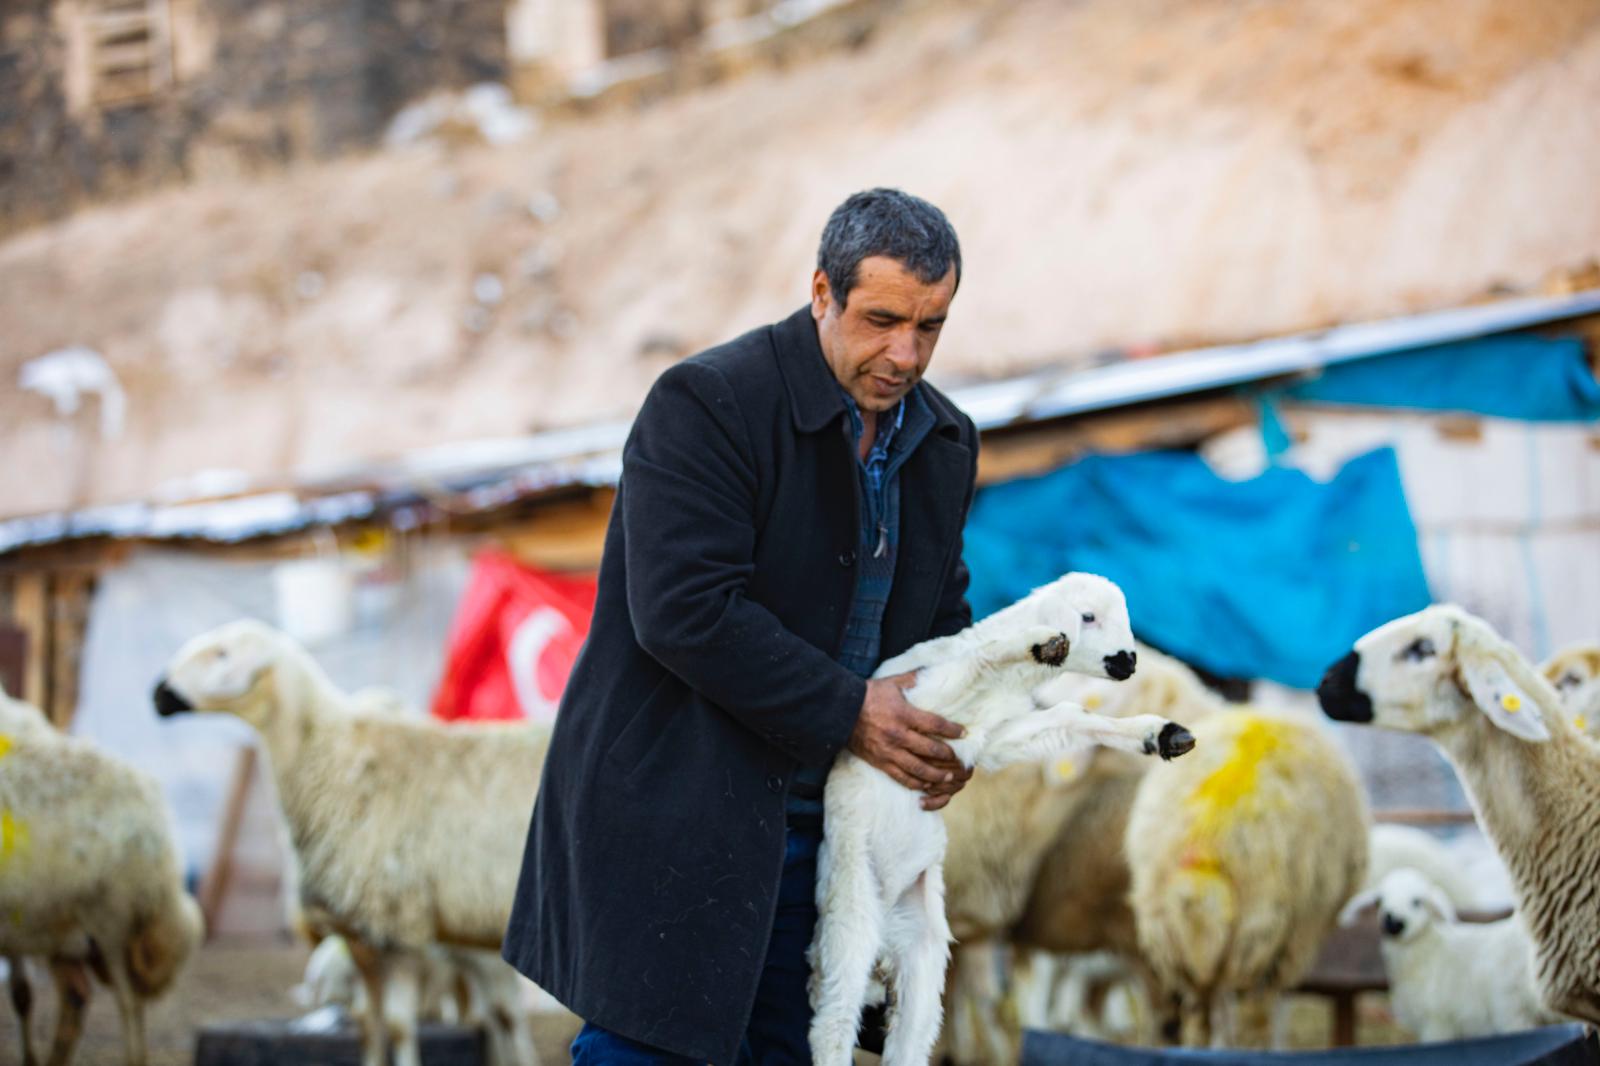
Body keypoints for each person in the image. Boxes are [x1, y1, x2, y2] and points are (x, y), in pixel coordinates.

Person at [502, 188, 981, 1065]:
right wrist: (854, 711)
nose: (905, 353)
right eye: (880, 320)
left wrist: (953, 727)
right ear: (821, 294)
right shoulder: (709, 404)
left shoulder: (944, 441)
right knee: (650, 1053)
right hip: (681, 818)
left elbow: (943, 615)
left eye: (930, 326)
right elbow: (683, 609)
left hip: (834, 837)